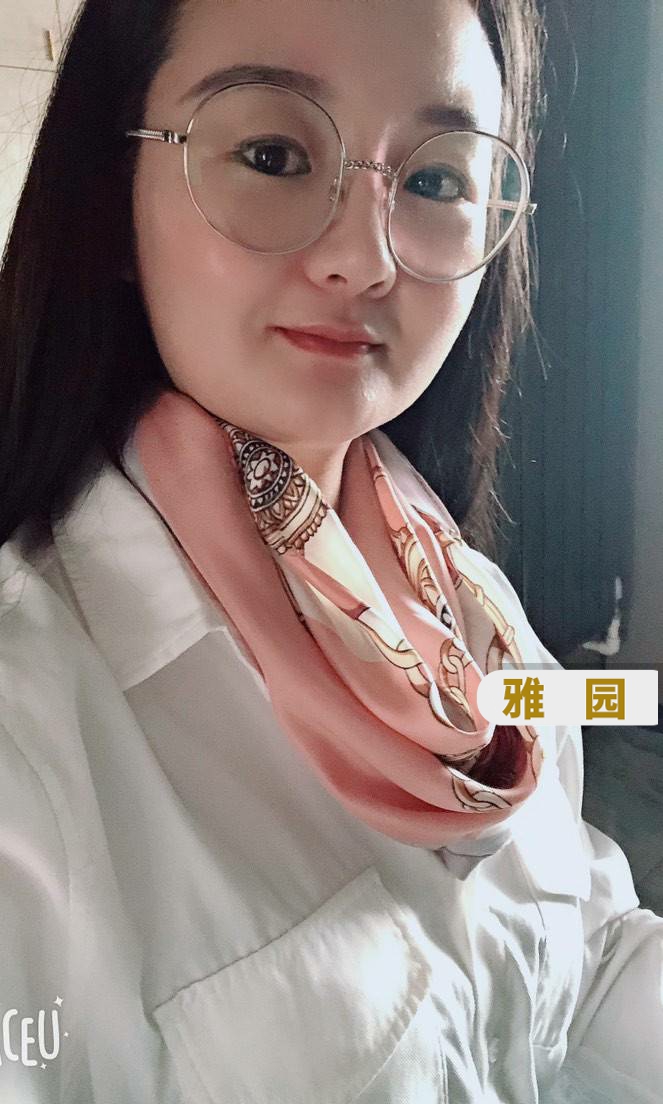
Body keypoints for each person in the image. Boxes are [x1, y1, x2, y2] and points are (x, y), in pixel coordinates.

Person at [0, 0, 661, 1100]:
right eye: (273, 155)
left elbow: (583, 957)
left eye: (436, 180)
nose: (366, 258)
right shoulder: (31, 733)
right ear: (111, 199)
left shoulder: (465, 600)